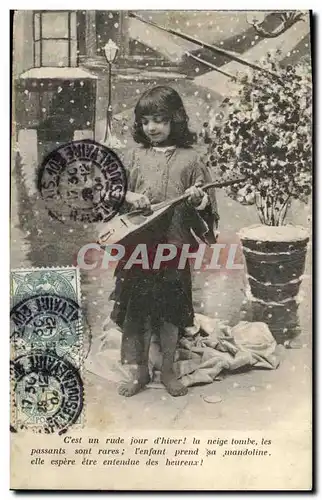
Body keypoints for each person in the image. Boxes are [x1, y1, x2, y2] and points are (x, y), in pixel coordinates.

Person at [110, 85, 219, 397]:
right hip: (138, 247)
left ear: (176, 120)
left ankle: (169, 369)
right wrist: (130, 196)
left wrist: (198, 200)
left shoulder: (191, 159)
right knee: (138, 310)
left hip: (173, 246)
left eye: (159, 119)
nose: (152, 127)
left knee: (171, 310)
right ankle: (140, 371)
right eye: (146, 121)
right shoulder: (134, 157)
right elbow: (115, 196)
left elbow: (207, 206)